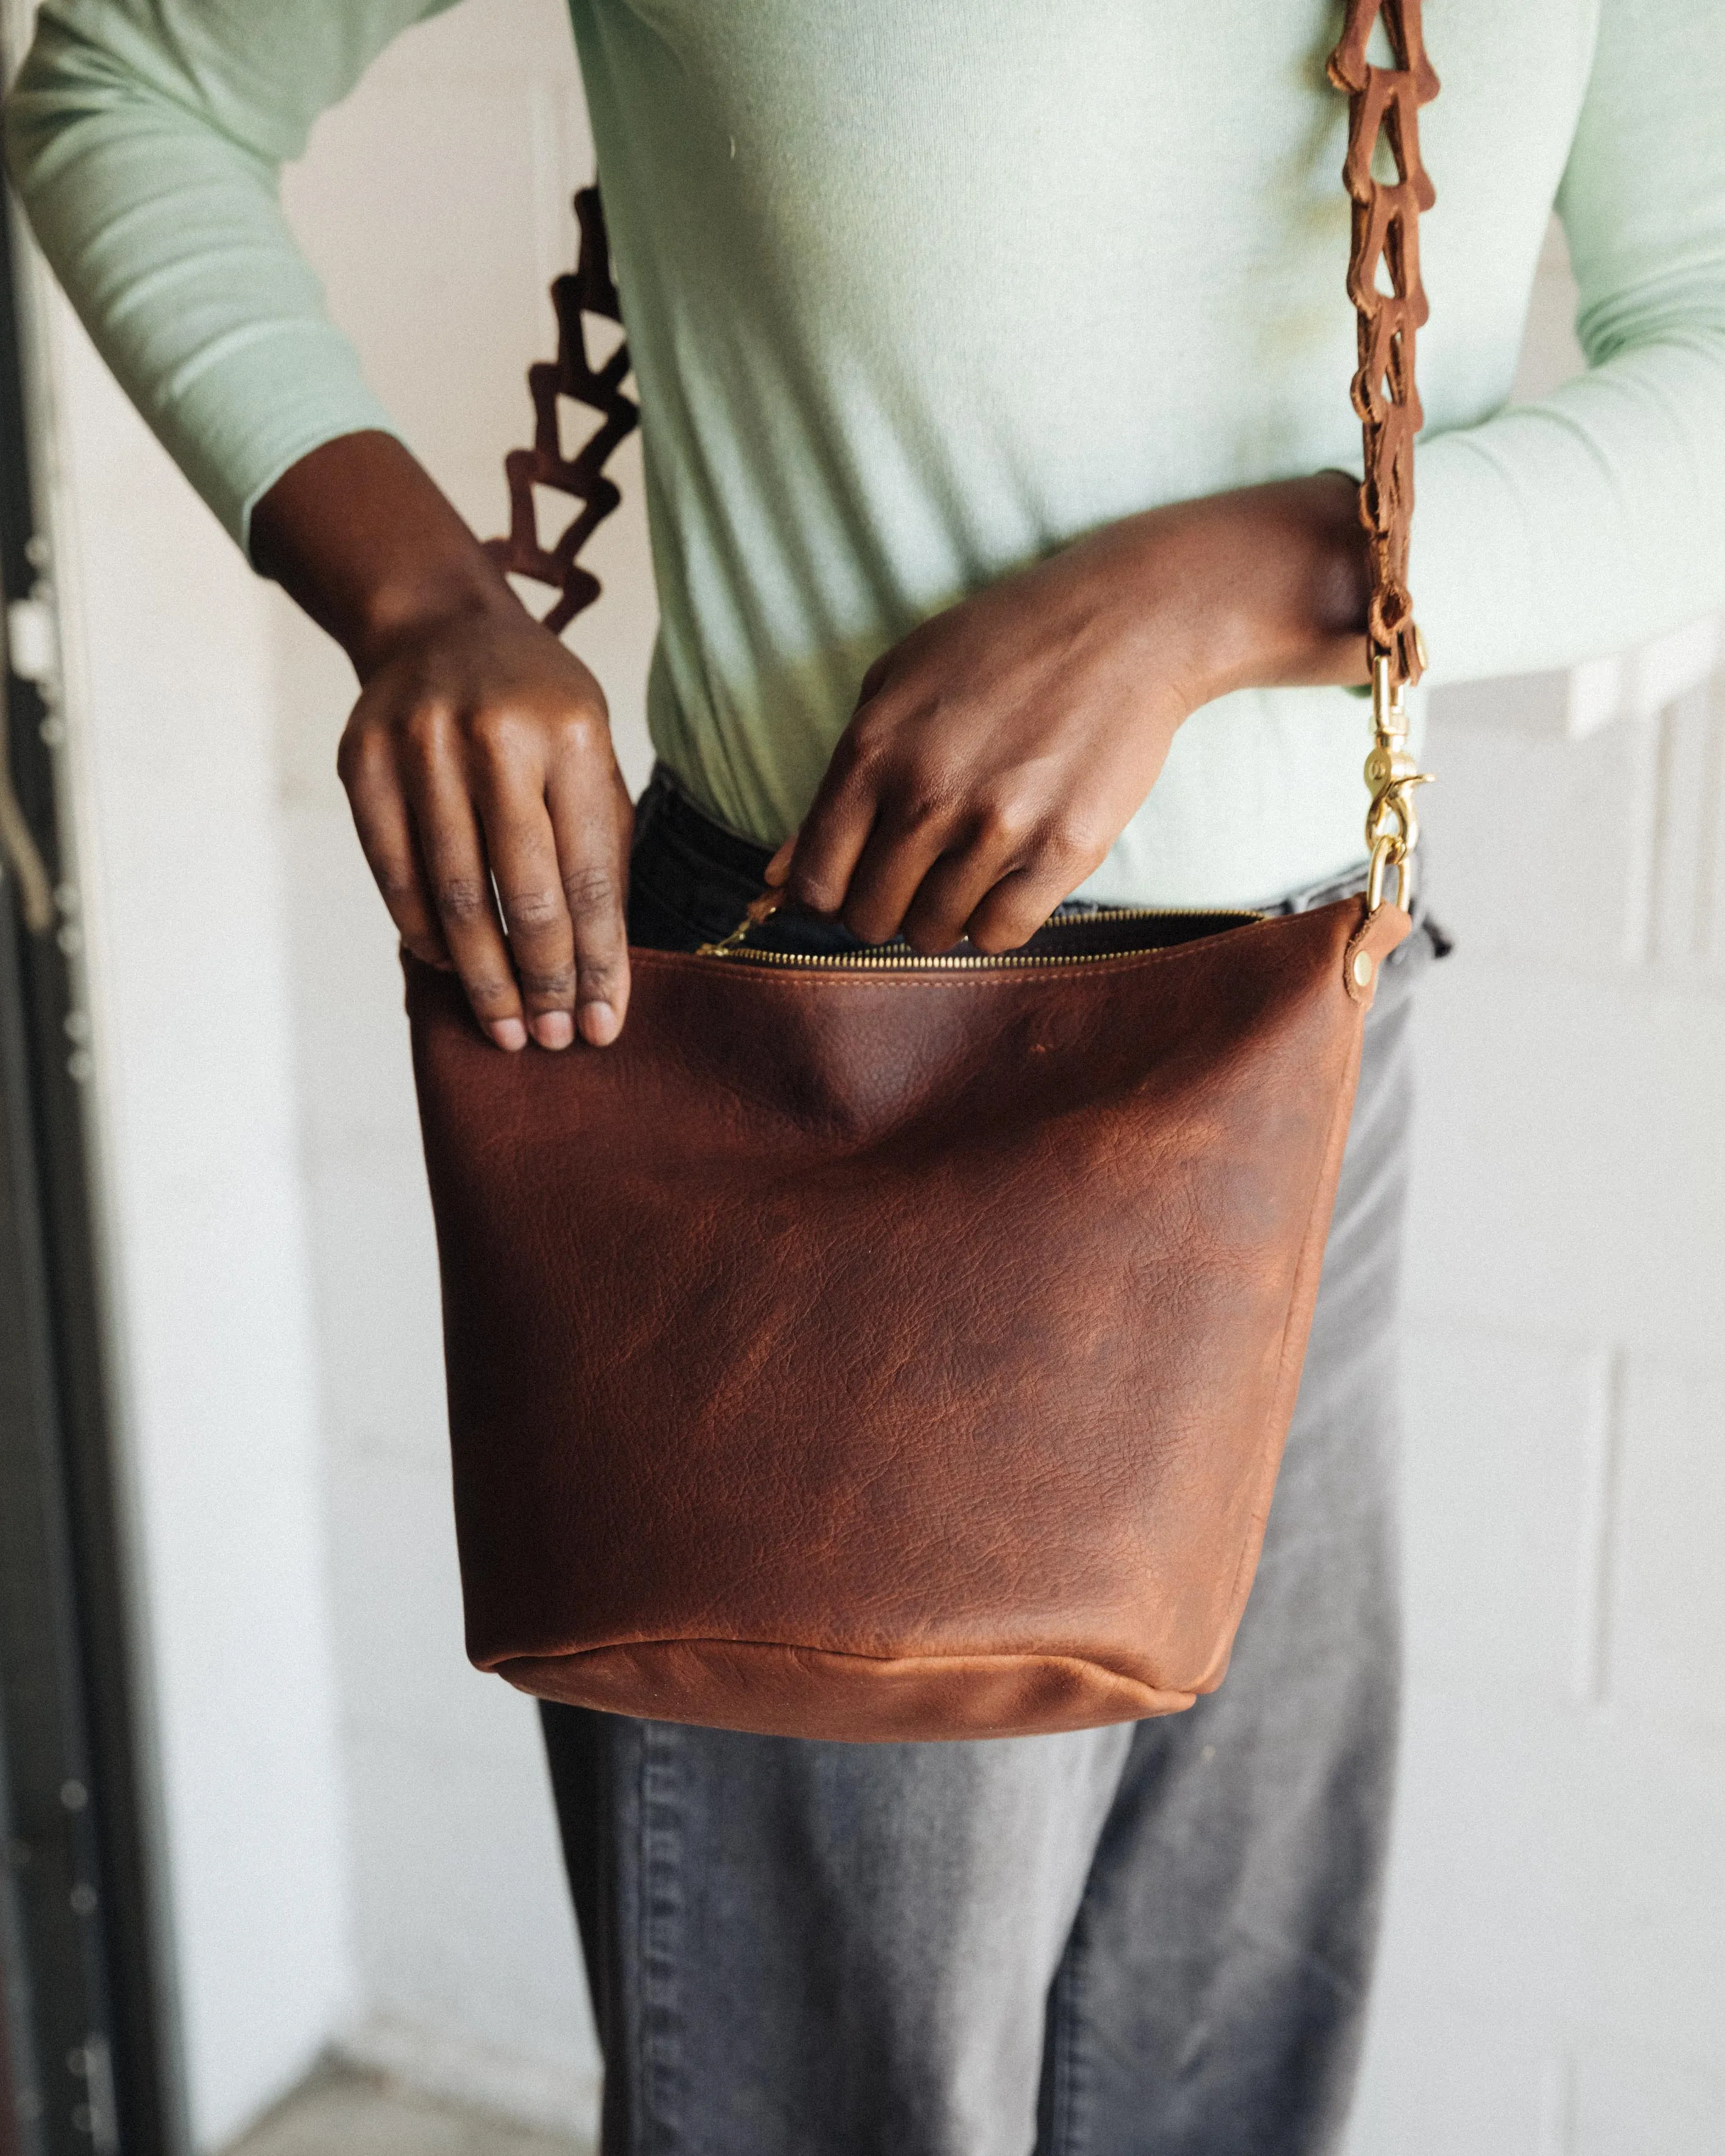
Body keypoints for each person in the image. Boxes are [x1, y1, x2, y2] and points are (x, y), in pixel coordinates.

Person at [7, 3, 1724, 2150]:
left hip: (1313, 1051)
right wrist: (423, 594)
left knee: (1230, 2051)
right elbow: (130, 83)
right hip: (814, 1088)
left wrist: (1242, 586)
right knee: (832, 2098)